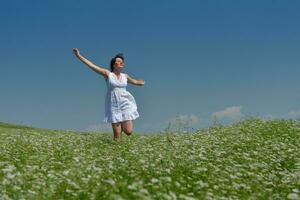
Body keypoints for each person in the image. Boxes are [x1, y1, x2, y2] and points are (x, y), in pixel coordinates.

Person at [72, 48, 145, 141]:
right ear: (114, 65)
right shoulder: (108, 74)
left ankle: (122, 124)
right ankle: (117, 149)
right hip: (113, 104)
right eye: (119, 61)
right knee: (117, 135)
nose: (122, 63)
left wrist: (141, 83)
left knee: (129, 131)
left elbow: (134, 81)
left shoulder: (125, 76)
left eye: (122, 61)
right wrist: (78, 56)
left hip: (125, 103)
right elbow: (92, 66)